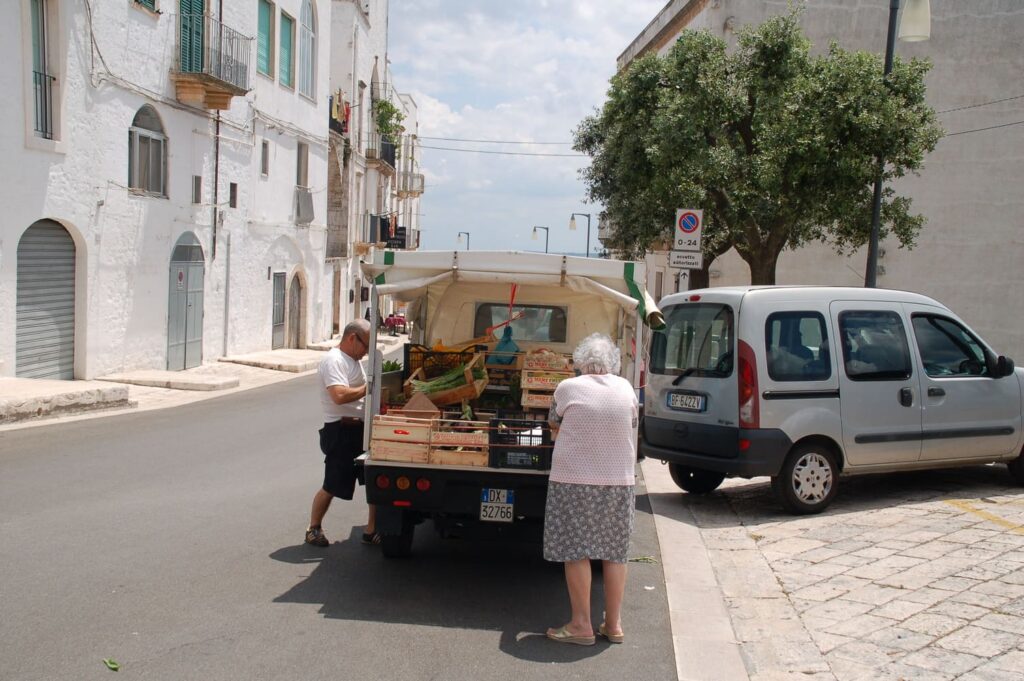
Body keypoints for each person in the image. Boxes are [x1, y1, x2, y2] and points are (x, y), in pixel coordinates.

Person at [543, 333, 639, 646]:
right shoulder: (626, 388)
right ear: (612, 363)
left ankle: (581, 625)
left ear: (580, 363)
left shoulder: (568, 387)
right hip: (618, 481)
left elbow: (553, 423)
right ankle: (613, 624)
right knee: (614, 553)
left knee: (576, 550)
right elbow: (631, 421)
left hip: (574, 480)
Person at [306, 319, 380, 546]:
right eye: (365, 345)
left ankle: (372, 529)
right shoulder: (333, 360)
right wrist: (369, 387)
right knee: (332, 483)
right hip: (341, 430)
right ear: (352, 338)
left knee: (373, 480)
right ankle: (313, 528)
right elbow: (339, 395)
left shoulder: (352, 360)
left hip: (358, 429)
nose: (366, 351)